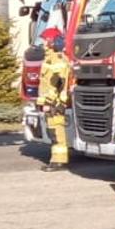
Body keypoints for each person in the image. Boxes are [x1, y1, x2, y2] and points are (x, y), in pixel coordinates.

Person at [37, 27, 71, 171]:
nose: (43, 43)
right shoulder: (50, 58)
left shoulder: (57, 59)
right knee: (53, 132)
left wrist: (51, 101)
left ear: (51, 42)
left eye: (45, 40)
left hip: (55, 103)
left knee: (57, 132)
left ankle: (59, 161)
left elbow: (59, 82)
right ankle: (56, 159)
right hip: (51, 102)